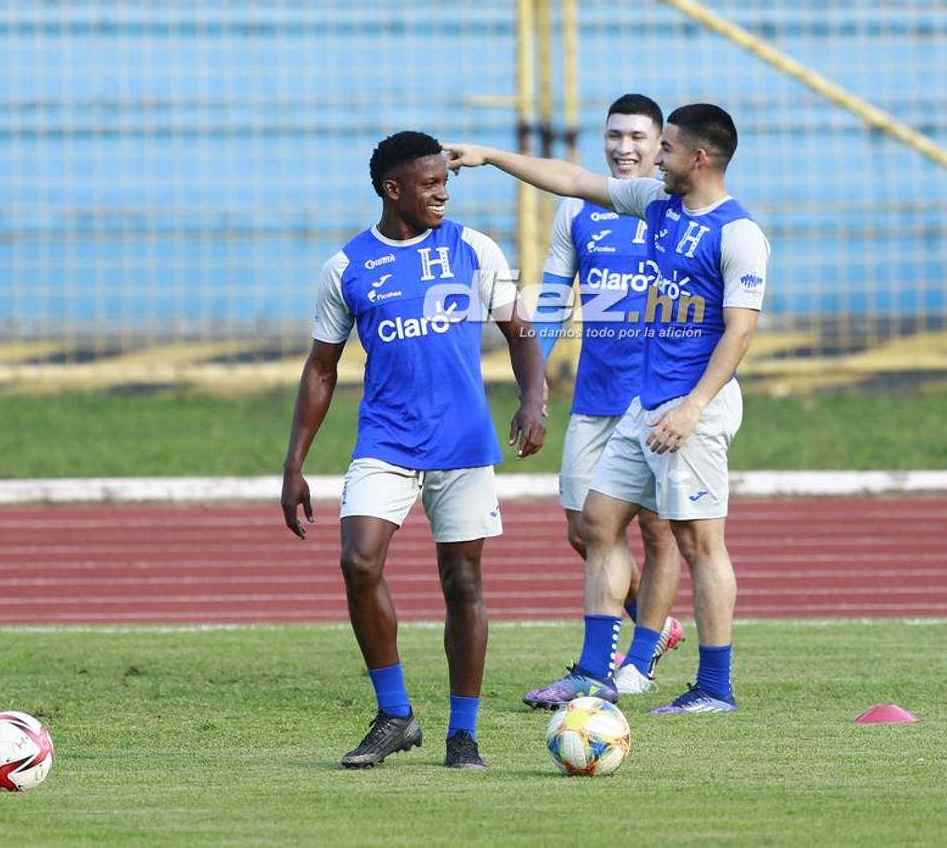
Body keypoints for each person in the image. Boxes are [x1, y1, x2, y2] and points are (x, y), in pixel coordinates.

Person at [446, 103, 770, 713]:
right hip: (644, 404)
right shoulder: (658, 203)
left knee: (699, 543)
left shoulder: (739, 233)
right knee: (597, 521)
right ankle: (595, 673)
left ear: (699, 158)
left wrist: (693, 408)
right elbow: (572, 180)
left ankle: (714, 688)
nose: (655, 156)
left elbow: (740, 333)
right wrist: (490, 157)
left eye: (667, 148)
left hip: (690, 409)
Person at [281, 130, 546, 769]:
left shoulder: (473, 249)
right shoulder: (347, 267)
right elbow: (321, 369)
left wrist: (533, 399)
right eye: (430, 185)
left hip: (462, 443)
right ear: (392, 189)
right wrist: (295, 463)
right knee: (358, 561)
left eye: (445, 182)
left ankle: (463, 734)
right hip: (386, 440)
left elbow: (521, 331)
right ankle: (395, 714)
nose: (443, 194)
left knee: (462, 583)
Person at [522, 94, 683, 710]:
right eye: (615, 135)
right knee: (584, 528)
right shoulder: (577, 210)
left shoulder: (675, 211)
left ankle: (634, 659)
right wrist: (533, 381)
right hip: (595, 396)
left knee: (657, 527)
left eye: (638, 138)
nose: (624, 147)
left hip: (656, 400)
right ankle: (655, 621)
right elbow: (554, 296)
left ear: (660, 143)